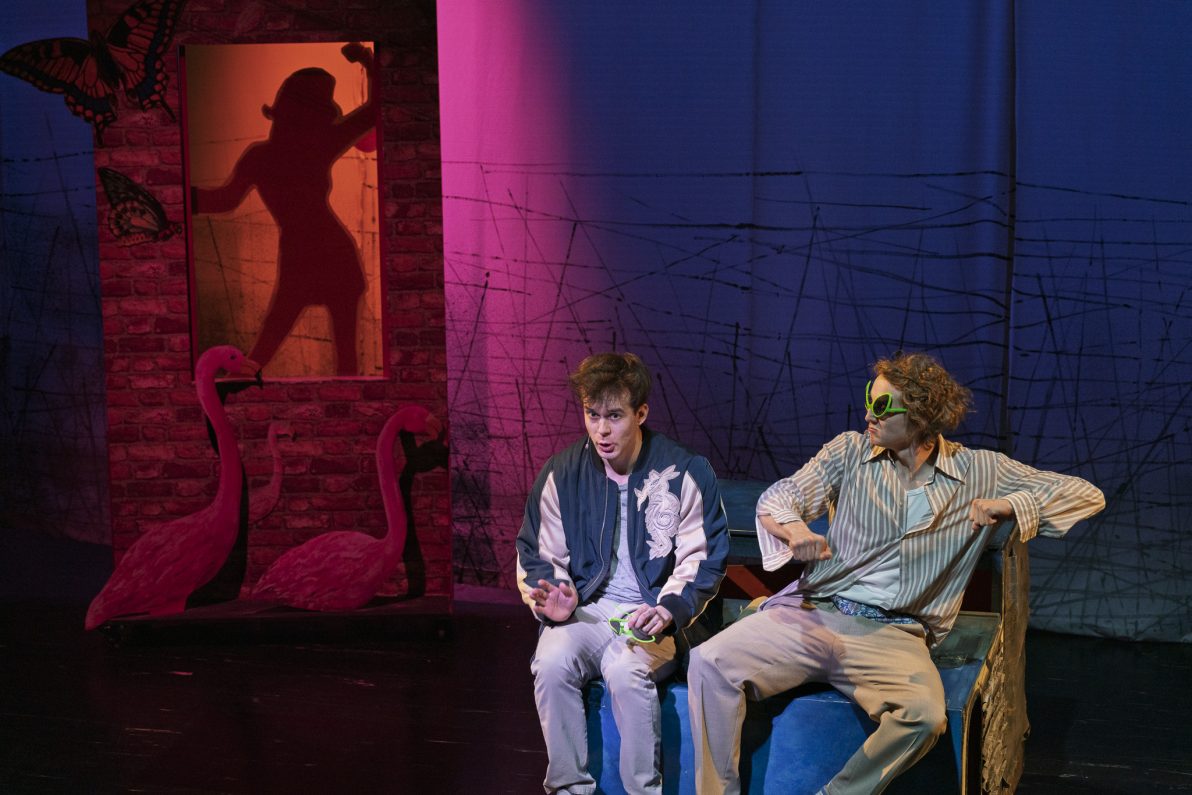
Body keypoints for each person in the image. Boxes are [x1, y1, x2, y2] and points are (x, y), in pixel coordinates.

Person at [687, 352, 1105, 795]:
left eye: (883, 407)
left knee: (924, 716)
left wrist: (1010, 504)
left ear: (922, 417)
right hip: (814, 613)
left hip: (895, 634)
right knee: (709, 663)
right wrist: (795, 531)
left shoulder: (979, 471)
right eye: (870, 400)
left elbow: (1085, 495)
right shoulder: (850, 451)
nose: (869, 414)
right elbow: (780, 498)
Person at [516, 352, 730, 795]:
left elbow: (704, 557)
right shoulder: (562, 473)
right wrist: (557, 595)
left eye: (614, 416)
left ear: (641, 413)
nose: (601, 430)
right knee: (551, 662)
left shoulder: (684, 470)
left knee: (624, 670)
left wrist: (668, 609)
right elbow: (537, 551)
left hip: (655, 615)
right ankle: (569, 790)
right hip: (589, 611)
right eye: (592, 415)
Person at [191, 42, 376, 376]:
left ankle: (238, 387)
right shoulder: (302, 148)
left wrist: (368, 60)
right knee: (282, 346)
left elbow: (224, 201)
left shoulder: (281, 153)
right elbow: (225, 200)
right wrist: (181, 199)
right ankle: (239, 386)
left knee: (306, 350)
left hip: (320, 253)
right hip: (313, 252)